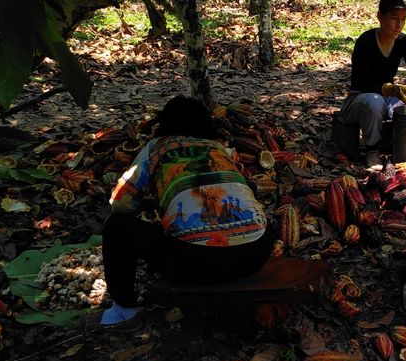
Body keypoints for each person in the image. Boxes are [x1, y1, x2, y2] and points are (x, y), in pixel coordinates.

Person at [99, 95, 275, 326]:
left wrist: (153, 203)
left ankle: (123, 309)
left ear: (164, 124)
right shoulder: (218, 149)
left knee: (116, 226)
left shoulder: (155, 149)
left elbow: (120, 205)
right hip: (255, 255)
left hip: (195, 265)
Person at [336, 0, 406, 167]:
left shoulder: (404, 42)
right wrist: (393, 89)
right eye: (394, 18)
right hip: (361, 98)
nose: (399, 25)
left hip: (387, 98)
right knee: (375, 101)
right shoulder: (366, 41)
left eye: (403, 19)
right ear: (380, 17)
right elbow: (362, 82)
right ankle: (372, 148)